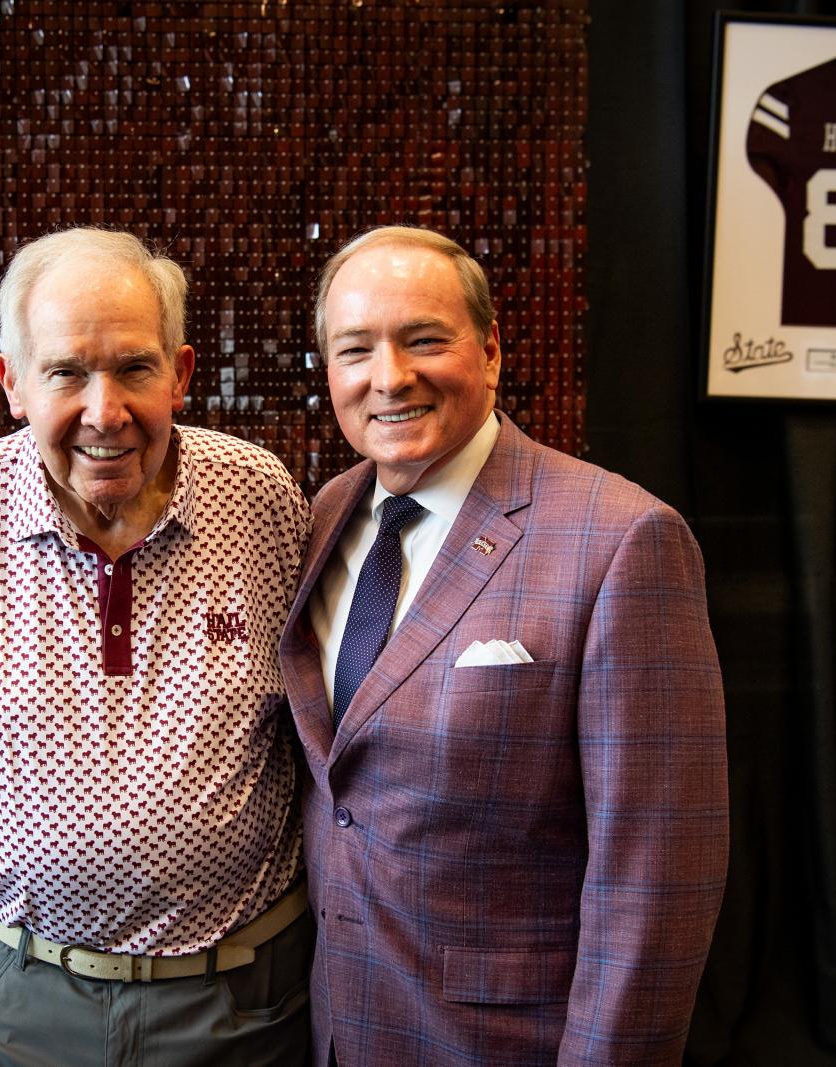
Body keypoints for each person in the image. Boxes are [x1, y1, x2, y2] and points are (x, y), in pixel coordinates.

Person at [0, 227, 313, 1067]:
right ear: (13, 382)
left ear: (181, 374)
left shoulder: (261, 496)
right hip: (16, 1002)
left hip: (241, 1003)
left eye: (134, 367)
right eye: (66, 372)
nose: (104, 411)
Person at [278, 226, 729, 1066]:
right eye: (355, 350)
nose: (390, 377)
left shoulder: (623, 539)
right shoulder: (321, 518)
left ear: (489, 351)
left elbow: (657, 879)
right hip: (336, 1030)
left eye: (424, 340)